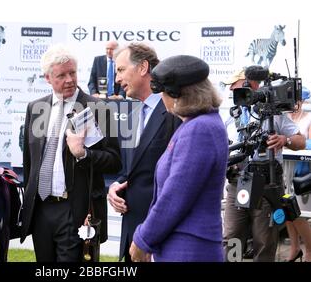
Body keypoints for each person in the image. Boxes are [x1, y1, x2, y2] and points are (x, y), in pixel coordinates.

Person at [20, 44, 122, 262]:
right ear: (48, 78)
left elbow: (115, 161)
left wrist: (83, 154)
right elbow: (30, 161)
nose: (69, 79)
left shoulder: (99, 108)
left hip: (76, 211)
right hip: (41, 210)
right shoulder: (35, 108)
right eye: (61, 75)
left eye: (72, 72)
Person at [128, 55, 228, 262]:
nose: (161, 97)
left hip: (188, 248)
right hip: (185, 245)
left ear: (177, 94)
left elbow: (175, 197)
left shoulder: (199, 129)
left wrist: (142, 240)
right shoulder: (198, 125)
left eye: (162, 91)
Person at [107, 43, 181, 261]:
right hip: (131, 231)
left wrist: (150, 237)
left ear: (143, 68)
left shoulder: (175, 114)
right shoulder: (132, 117)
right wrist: (114, 187)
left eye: (121, 70)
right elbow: (130, 171)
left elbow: (176, 181)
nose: (117, 79)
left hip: (159, 237)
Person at [223, 68, 305, 262]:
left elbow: (301, 140)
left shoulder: (272, 114)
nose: (231, 92)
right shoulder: (230, 116)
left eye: (235, 86)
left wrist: (285, 140)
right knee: (232, 236)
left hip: (266, 183)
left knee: (264, 240)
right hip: (237, 182)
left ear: (250, 85)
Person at [283, 86, 311, 262]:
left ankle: (309, 250)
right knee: (287, 211)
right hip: (284, 167)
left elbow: (309, 144)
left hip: (302, 170)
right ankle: (294, 248)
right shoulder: (284, 117)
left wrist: (291, 142)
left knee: (299, 213)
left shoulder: (309, 117)